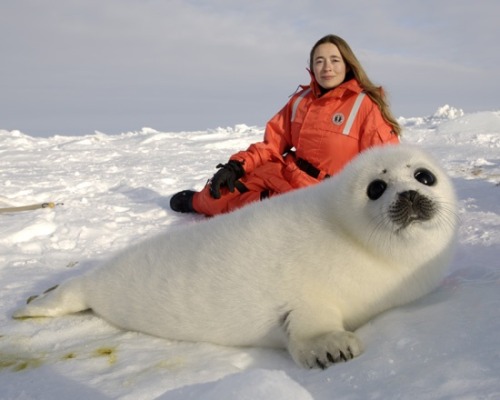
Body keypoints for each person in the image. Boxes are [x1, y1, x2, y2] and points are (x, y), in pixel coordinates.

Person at [170, 34, 401, 216]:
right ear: (312, 67)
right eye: (319, 61)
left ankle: (260, 206)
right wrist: (236, 167)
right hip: (286, 173)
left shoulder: (364, 104)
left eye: (334, 60)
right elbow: (272, 145)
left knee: (274, 224)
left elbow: (387, 162)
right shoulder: (300, 101)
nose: (327, 67)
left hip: (325, 194)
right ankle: (195, 202)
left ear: (348, 65)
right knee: (220, 194)